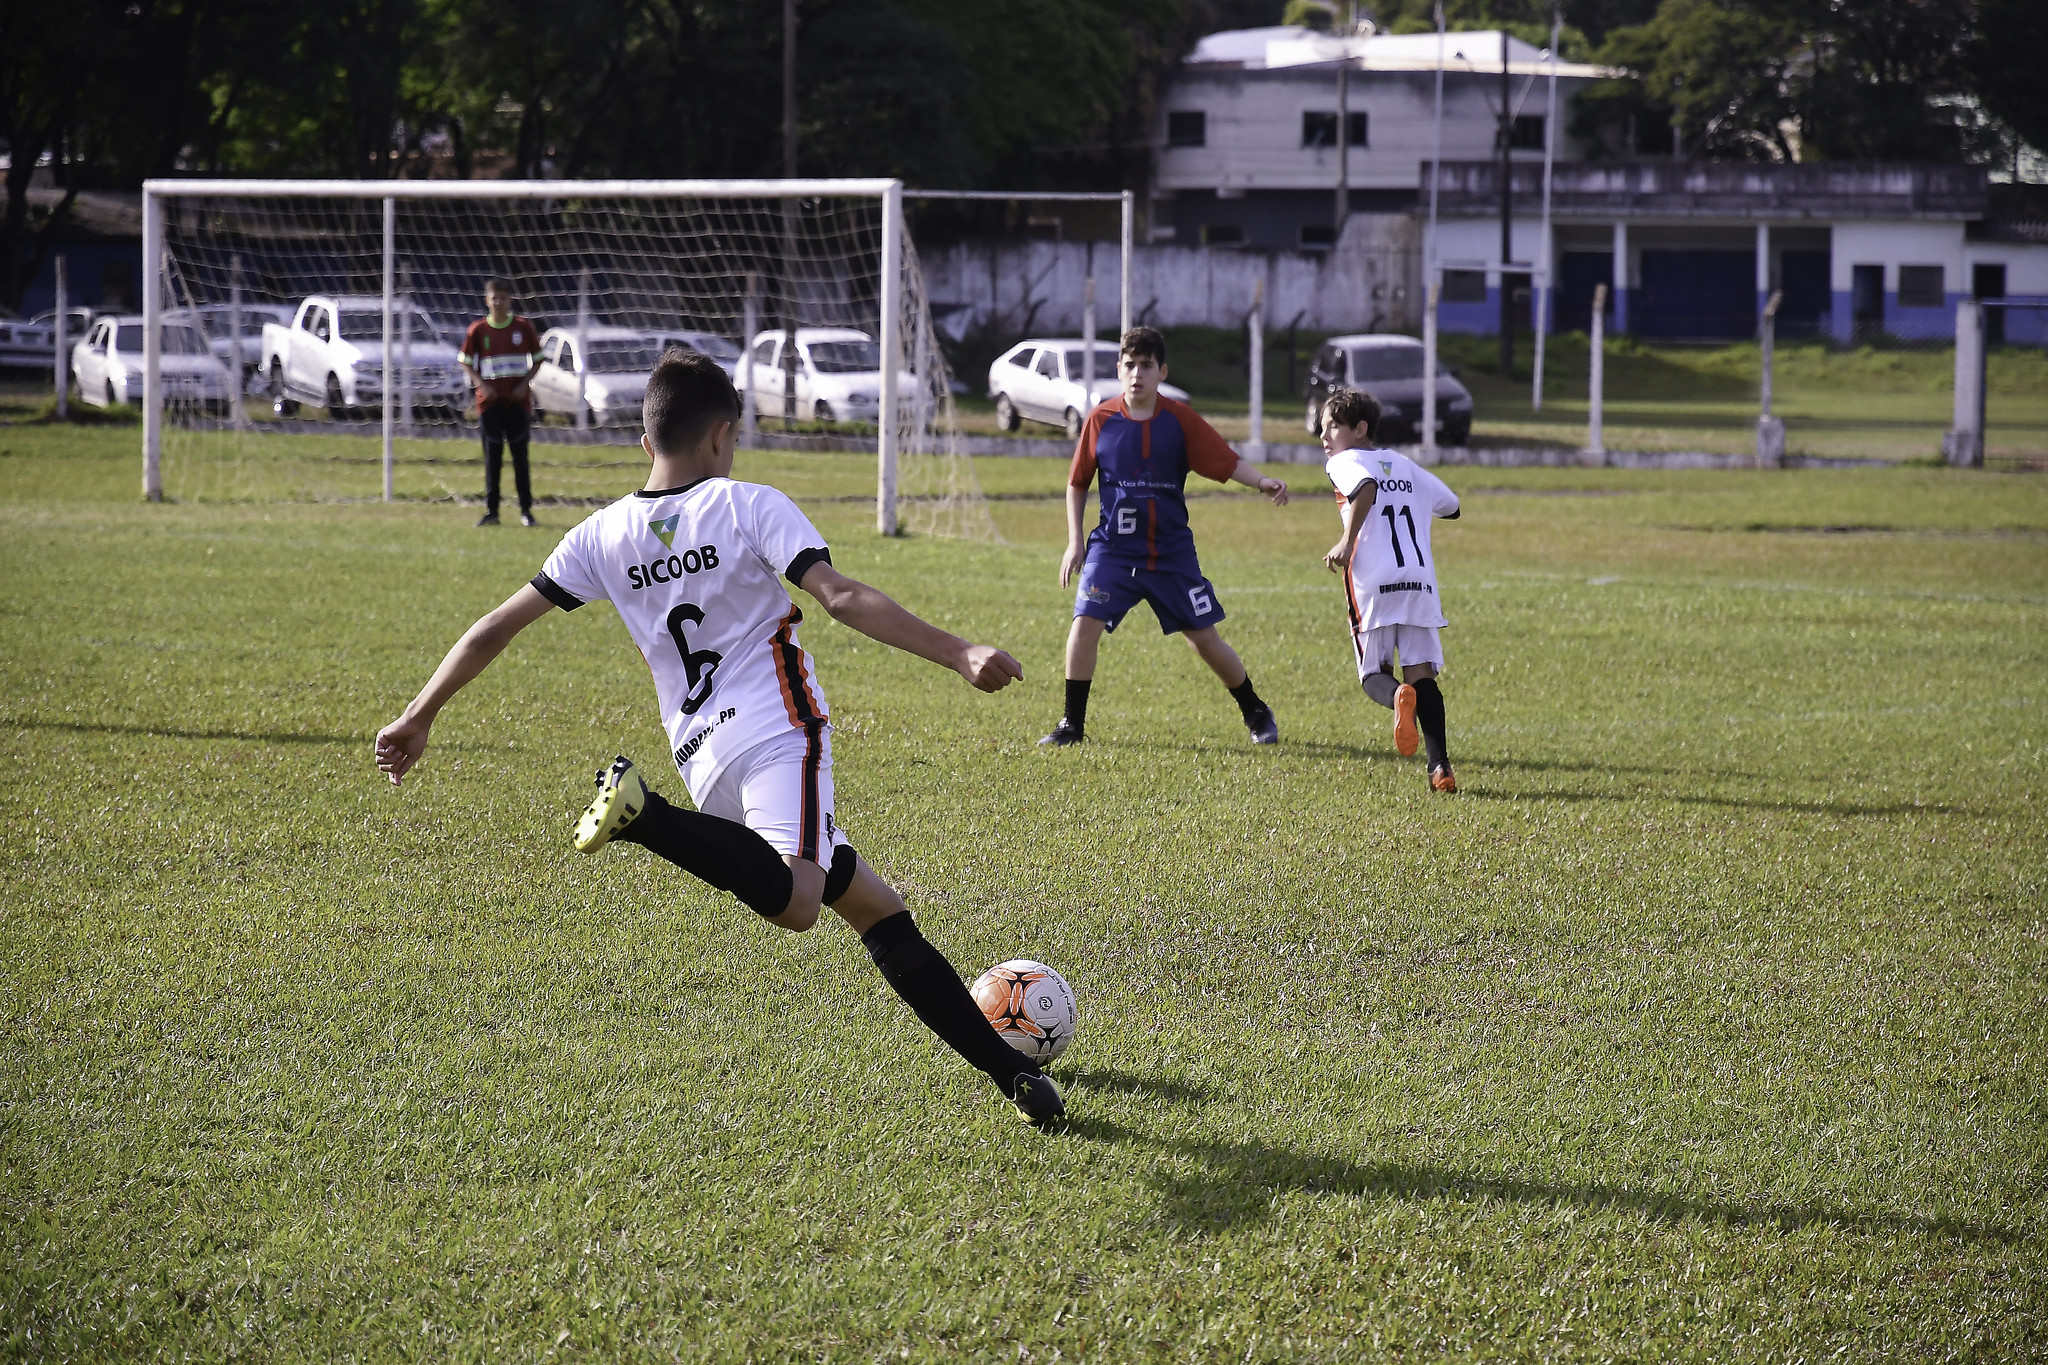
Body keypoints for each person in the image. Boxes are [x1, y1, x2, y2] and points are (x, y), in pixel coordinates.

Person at [374, 352, 1068, 1126]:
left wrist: (421, 711)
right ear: (723, 434)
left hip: (707, 757)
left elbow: (494, 626)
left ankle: (1015, 1077)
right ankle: (650, 818)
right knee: (800, 903)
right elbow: (839, 596)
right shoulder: (747, 504)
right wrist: (958, 650)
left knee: (874, 906)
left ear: (646, 443)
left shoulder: (601, 535)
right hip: (779, 730)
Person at [1041, 326, 1289, 748]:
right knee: (1084, 624)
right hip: (1113, 551)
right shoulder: (1100, 419)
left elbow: (1224, 461)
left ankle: (1255, 710)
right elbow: (1077, 482)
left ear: (1162, 372)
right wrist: (1075, 540)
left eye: (1147, 366)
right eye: (1130, 365)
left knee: (1204, 639)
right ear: (1119, 370)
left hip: (1170, 555)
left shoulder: (1179, 420)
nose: (1137, 373)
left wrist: (1262, 480)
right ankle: (1071, 725)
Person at [1318, 385, 1462, 792]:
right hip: (1419, 581)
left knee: (1372, 676)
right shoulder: (1404, 464)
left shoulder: (1345, 462)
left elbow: (1365, 488)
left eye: (1332, 427)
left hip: (1374, 582)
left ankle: (1398, 695)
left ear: (1361, 428)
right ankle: (1440, 768)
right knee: (1424, 677)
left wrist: (1347, 540)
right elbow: (1451, 505)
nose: (1324, 438)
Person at [458, 277, 542, 528]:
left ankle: (526, 511)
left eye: (503, 298)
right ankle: (492, 511)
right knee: (492, 458)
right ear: (487, 300)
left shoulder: (523, 328)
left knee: (520, 458)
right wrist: (482, 385)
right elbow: (465, 360)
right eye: (494, 298)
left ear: (509, 300)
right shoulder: (478, 330)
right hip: (489, 404)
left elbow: (538, 359)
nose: (498, 302)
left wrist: (523, 385)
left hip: (517, 402)